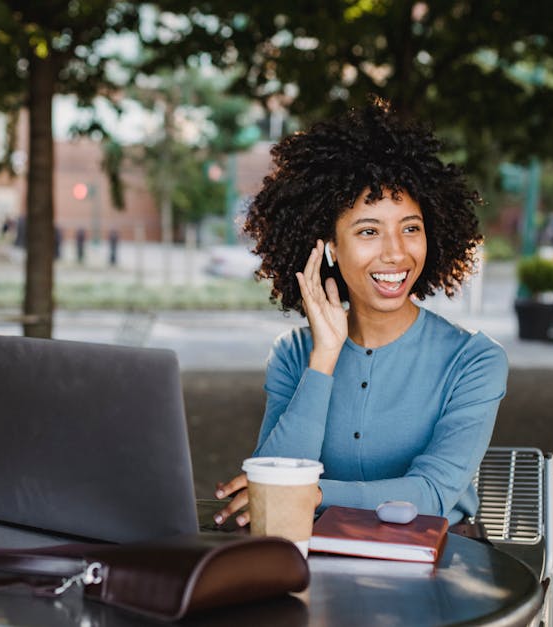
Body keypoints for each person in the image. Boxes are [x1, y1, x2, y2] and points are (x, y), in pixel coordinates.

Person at [213, 99, 507, 533]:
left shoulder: (475, 361)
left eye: (411, 228)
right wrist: (324, 357)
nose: (396, 252)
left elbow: (433, 495)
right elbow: (274, 482)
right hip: (317, 559)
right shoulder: (295, 354)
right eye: (369, 231)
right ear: (330, 247)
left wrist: (313, 494)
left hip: (439, 560)